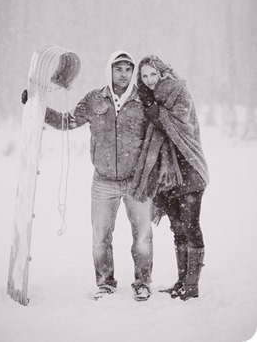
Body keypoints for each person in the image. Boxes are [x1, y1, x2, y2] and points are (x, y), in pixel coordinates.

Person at [22, 50, 153, 302]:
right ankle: (105, 283)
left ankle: (142, 282)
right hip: (103, 181)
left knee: (143, 236)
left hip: (137, 182)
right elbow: (66, 120)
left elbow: (157, 138)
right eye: (118, 69)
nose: (123, 74)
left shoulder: (144, 101)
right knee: (100, 237)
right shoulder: (94, 100)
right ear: (110, 70)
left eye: (128, 69)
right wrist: (37, 104)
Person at [129, 55, 209, 301]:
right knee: (178, 230)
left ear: (162, 72)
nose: (150, 80)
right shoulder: (147, 99)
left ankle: (192, 287)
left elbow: (179, 125)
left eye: (153, 74)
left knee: (191, 226)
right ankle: (181, 282)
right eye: (144, 76)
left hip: (189, 170)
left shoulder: (179, 92)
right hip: (166, 176)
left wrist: (155, 111)